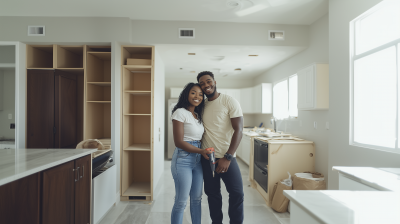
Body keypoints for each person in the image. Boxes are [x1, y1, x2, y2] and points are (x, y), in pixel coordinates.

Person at [197, 71, 244, 224]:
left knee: (237, 193)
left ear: (215, 82)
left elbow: (239, 129)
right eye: (202, 84)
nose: (206, 85)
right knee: (212, 194)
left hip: (227, 157)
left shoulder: (229, 101)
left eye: (208, 81)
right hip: (207, 157)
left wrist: (228, 157)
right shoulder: (201, 105)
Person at [170, 82, 212, 224]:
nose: (197, 96)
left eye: (201, 94)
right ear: (187, 94)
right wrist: (201, 151)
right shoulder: (180, 112)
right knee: (181, 201)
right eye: (193, 92)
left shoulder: (197, 115)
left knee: (197, 199)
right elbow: (179, 142)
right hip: (183, 159)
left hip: (197, 160)